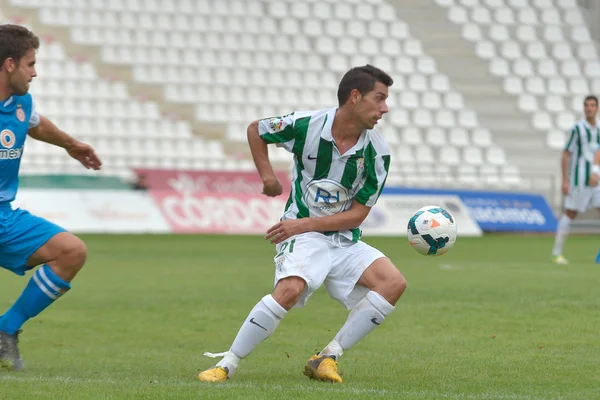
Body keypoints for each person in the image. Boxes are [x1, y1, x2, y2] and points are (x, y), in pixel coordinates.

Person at [197, 65, 406, 383]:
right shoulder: (307, 125)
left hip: (340, 237)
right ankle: (227, 364)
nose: (384, 108)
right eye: (379, 98)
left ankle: (327, 356)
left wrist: (307, 223)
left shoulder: (377, 151)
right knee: (290, 290)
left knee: (393, 284)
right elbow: (257, 130)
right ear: (354, 96)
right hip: (302, 233)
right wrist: (267, 176)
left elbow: (359, 214)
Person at [0, 24, 102, 371]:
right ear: (10, 64)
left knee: (71, 252)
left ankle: (5, 329)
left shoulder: (20, 103)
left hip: (4, 216)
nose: (35, 71)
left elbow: (36, 123)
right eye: (30, 64)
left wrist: (72, 144)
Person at [552, 95, 600, 264]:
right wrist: (565, 180)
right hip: (580, 180)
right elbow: (566, 154)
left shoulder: (599, 129)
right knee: (571, 213)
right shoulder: (577, 129)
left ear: (597, 108)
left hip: (598, 181)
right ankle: (557, 253)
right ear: (584, 108)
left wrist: (596, 171)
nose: (589, 108)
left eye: (593, 105)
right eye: (587, 105)